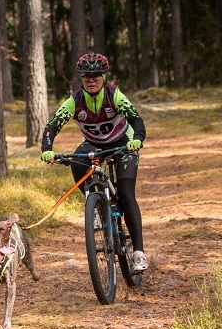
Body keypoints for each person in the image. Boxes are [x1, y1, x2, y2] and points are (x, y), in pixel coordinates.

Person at [40, 52, 148, 272]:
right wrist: (47, 150)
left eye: (96, 75)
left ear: (103, 77)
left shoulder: (114, 95)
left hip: (123, 144)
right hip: (94, 144)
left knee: (127, 194)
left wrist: (137, 139)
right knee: (77, 163)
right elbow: (52, 126)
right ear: (81, 78)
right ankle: (97, 206)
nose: (91, 80)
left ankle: (138, 253)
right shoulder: (75, 101)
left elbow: (136, 119)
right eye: (86, 76)